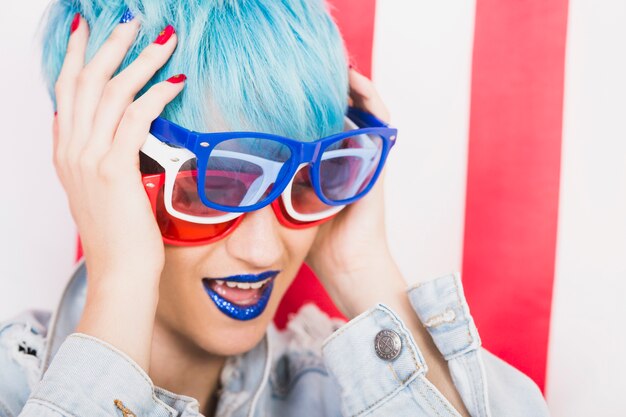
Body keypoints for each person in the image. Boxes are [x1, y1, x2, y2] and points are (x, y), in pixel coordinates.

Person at [0, 1, 550, 416]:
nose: (264, 249)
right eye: (212, 183)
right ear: (92, 162)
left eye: (305, 178)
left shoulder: (344, 391)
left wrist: (364, 270)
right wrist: (121, 281)